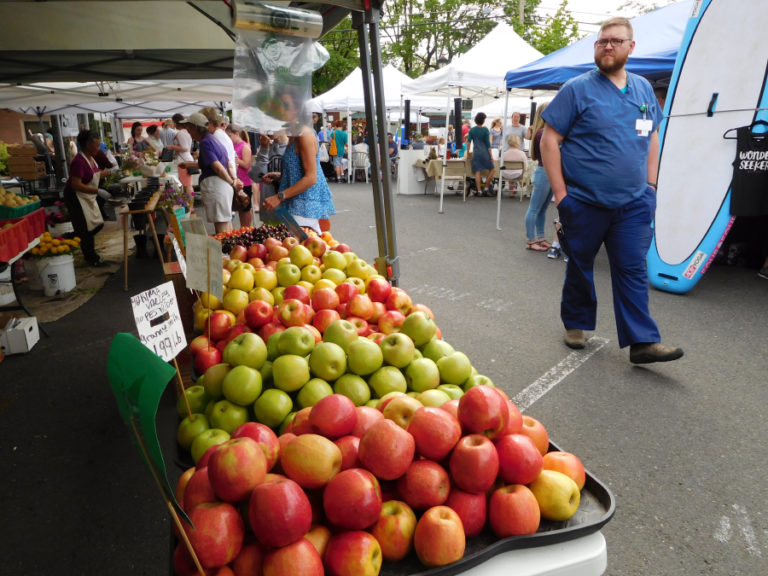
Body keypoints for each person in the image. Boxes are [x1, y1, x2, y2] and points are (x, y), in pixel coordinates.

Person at [540, 17, 683, 364]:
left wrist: (651, 186)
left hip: (634, 203)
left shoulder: (644, 90)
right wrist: (561, 195)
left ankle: (642, 341)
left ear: (630, 48)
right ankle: (575, 324)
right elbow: (549, 139)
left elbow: (652, 135)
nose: (607, 46)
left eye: (615, 41)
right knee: (580, 265)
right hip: (584, 201)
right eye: (602, 41)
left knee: (632, 268)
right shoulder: (577, 89)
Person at [262, 88, 336, 234]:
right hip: (296, 205)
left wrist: (279, 196)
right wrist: (281, 175)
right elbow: (301, 169)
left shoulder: (304, 135)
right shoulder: (294, 134)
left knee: (301, 251)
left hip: (304, 208)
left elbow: (311, 178)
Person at [177, 112, 241, 234]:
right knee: (226, 222)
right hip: (222, 187)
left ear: (195, 127)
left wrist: (232, 182)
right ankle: (230, 250)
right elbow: (225, 163)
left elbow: (217, 167)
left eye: (189, 128)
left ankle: (225, 252)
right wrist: (233, 180)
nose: (188, 132)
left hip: (216, 187)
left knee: (221, 226)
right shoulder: (213, 140)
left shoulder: (205, 142)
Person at [63, 130, 111, 267]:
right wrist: (98, 191)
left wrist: (108, 173)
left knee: (97, 223)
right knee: (86, 228)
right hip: (75, 196)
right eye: (96, 145)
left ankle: (74, 236)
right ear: (88, 144)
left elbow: (92, 175)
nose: (98, 148)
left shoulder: (91, 158)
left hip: (86, 195)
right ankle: (92, 258)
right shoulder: (78, 161)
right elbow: (76, 184)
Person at [523, 103, 552, 251]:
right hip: (544, 172)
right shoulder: (542, 133)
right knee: (535, 208)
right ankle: (531, 240)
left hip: (548, 172)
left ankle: (540, 238)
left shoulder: (544, 131)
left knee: (541, 209)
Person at [227, 124, 254, 227]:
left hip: (245, 182)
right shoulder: (232, 146)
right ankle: (243, 228)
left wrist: (235, 160)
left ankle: (246, 228)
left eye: (230, 135)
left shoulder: (244, 146)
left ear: (236, 134)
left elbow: (247, 164)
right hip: (236, 181)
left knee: (245, 208)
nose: (228, 138)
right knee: (239, 207)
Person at [467, 112, 495, 196]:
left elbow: (468, 142)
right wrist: (491, 156)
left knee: (477, 172)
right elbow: (488, 145)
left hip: (476, 153)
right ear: (483, 120)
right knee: (493, 169)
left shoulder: (472, 130)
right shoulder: (485, 130)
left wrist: (468, 153)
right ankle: (486, 188)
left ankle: (479, 191)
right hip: (485, 153)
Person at [168, 113, 195, 201]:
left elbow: (185, 148)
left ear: (176, 122)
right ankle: (190, 205)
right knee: (188, 185)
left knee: (187, 185)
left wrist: (172, 147)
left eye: (173, 122)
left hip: (183, 160)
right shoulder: (187, 132)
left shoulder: (181, 133)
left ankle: (190, 206)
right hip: (188, 159)